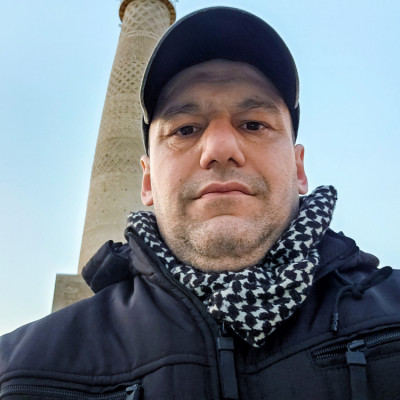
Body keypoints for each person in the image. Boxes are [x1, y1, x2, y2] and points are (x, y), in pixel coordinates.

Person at [1, 6, 400, 400]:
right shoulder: (20, 375)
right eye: (186, 129)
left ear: (299, 169)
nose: (220, 149)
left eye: (253, 124)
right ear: (147, 181)